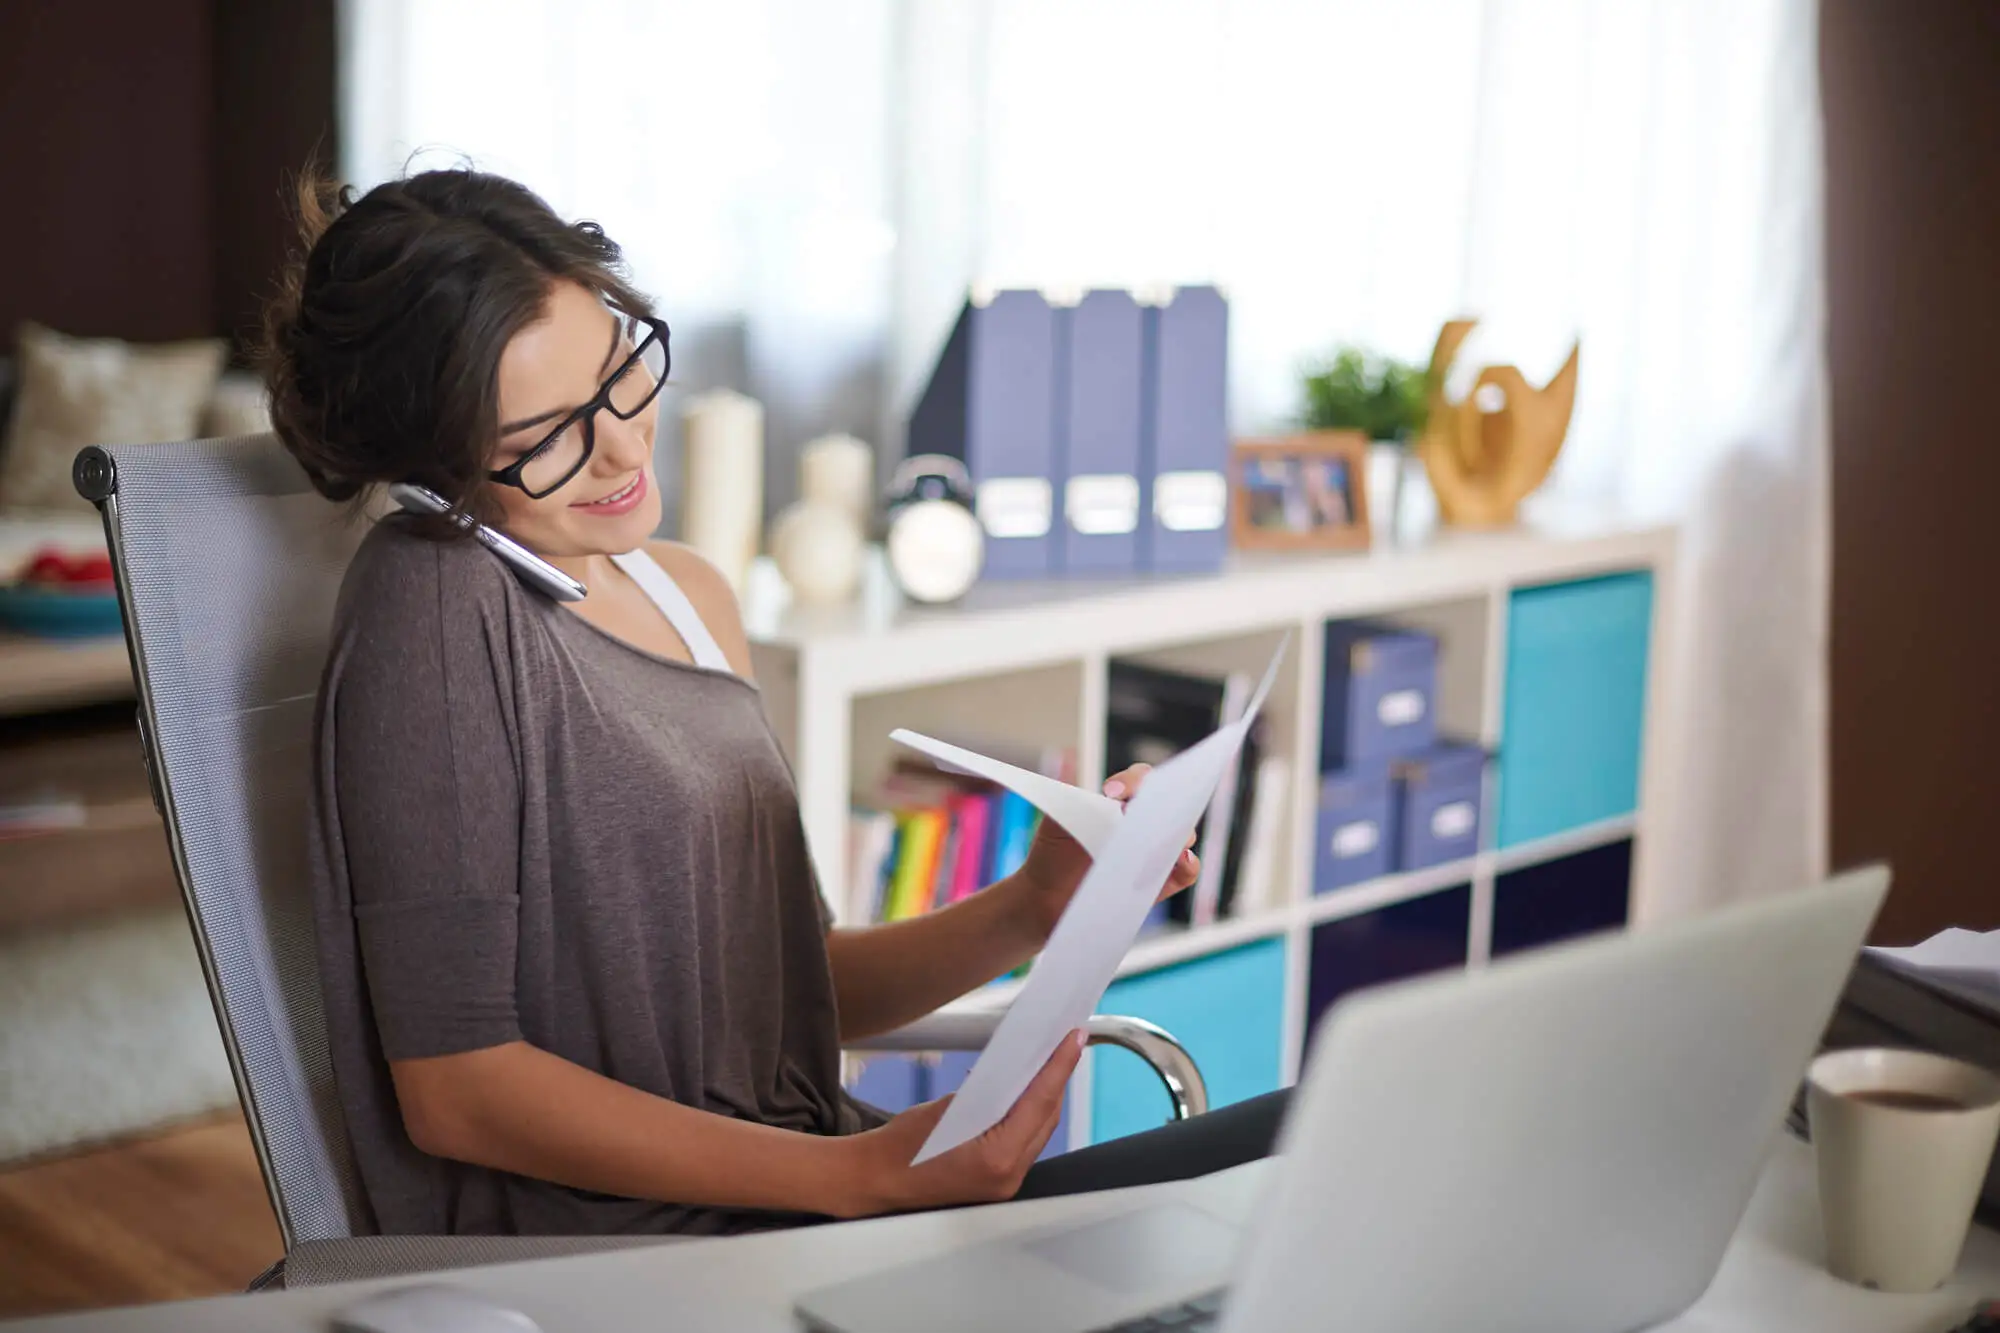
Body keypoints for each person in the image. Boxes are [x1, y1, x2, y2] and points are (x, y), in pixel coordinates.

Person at [262, 167, 1286, 1239]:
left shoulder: (688, 592)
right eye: (543, 434)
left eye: (619, 372)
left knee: (1301, 1154)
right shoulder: (433, 604)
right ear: (432, 459)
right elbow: (459, 1086)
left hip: (802, 1188)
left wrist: (1037, 902)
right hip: (633, 1249)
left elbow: (789, 995)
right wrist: (859, 1176)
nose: (619, 445)